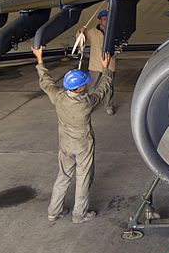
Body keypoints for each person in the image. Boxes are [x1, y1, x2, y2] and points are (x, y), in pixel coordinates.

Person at [32, 45, 113, 224]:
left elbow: (46, 82)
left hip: (65, 144)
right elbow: (102, 89)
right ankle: (79, 214)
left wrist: (40, 59)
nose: (86, 84)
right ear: (79, 89)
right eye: (84, 83)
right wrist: (106, 69)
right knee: (83, 177)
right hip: (83, 145)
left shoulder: (59, 97)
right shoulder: (85, 103)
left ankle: (54, 211)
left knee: (64, 176)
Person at [81, 10, 116, 115]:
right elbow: (81, 38)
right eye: (104, 19)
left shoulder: (114, 31)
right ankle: (90, 105)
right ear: (100, 20)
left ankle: (109, 106)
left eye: (108, 19)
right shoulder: (92, 32)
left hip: (109, 63)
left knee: (109, 86)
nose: (106, 21)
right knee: (92, 86)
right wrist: (80, 31)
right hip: (95, 63)